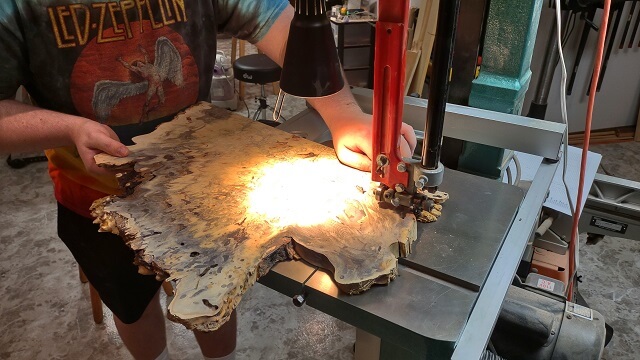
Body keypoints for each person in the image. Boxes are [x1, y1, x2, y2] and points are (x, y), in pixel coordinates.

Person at [0, 1, 416, 359]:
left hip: (200, 189)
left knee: (211, 292)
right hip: (95, 199)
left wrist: (343, 115)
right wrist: (68, 128)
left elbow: (282, 24)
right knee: (132, 305)